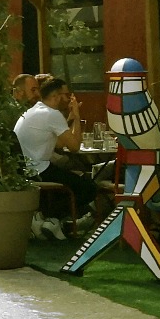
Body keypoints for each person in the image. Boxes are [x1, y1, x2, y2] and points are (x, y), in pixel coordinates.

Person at [14, 76, 96, 217]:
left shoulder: (36, 110)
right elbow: (75, 147)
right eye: (67, 95)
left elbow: (60, 143)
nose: (70, 99)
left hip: (26, 169)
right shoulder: (52, 114)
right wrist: (76, 116)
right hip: (38, 170)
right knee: (89, 188)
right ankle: (52, 217)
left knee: (76, 181)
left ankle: (55, 218)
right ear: (56, 96)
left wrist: (70, 119)